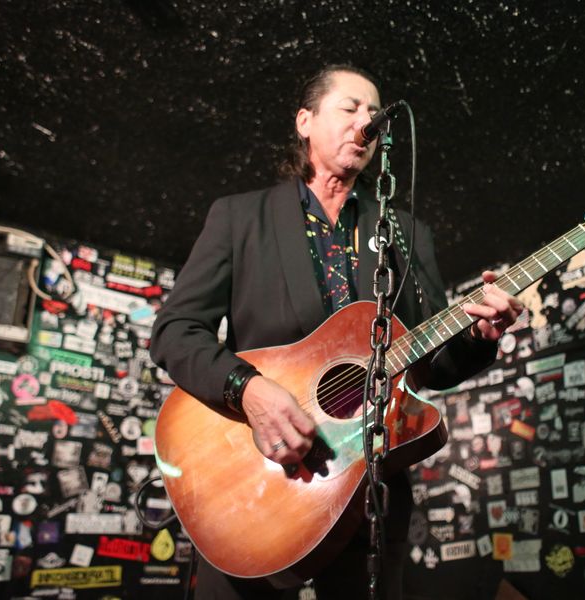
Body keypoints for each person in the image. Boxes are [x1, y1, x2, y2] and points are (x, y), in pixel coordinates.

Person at [150, 64, 524, 600]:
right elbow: (175, 331)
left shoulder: (407, 232)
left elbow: (435, 364)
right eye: (350, 108)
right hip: (250, 479)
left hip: (367, 485)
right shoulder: (239, 218)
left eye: (373, 112)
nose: (365, 121)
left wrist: (481, 336)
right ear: (305, 121)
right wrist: (248, 390)